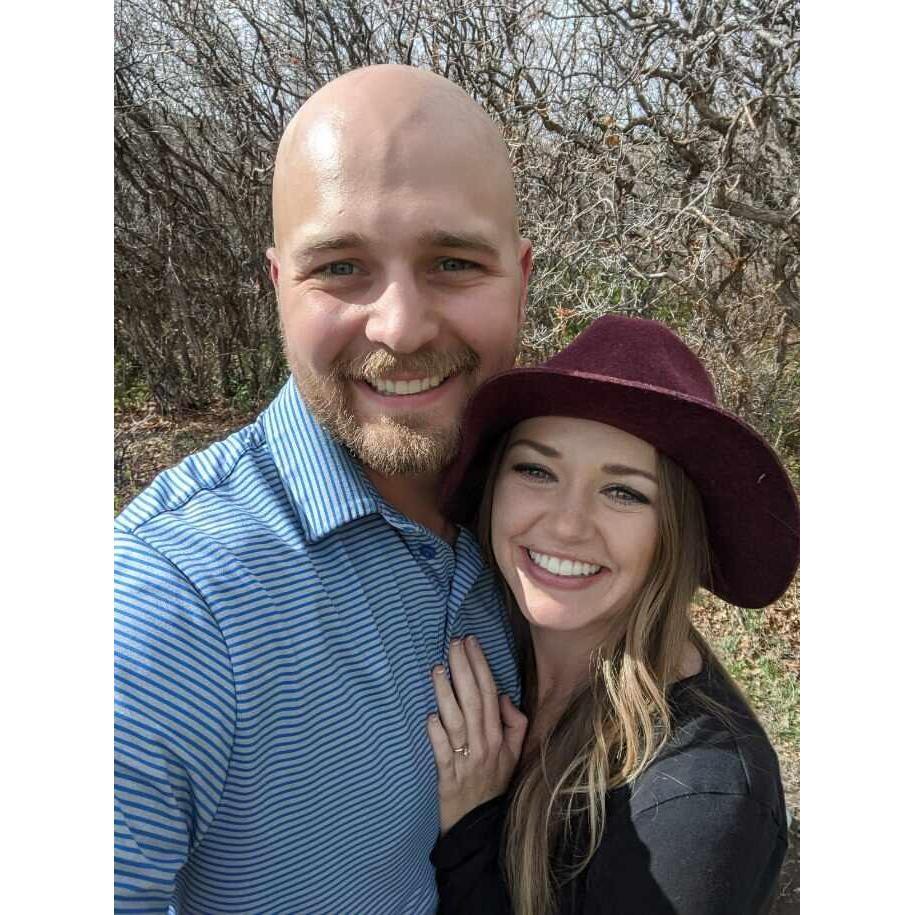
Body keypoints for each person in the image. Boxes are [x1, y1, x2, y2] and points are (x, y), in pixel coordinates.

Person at [114, 65, 532, 913]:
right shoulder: (167, 609)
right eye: (340, 267)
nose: (400, 327)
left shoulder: (536, 511)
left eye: (453, 262)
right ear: (279, 286)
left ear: (520, 276)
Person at [425, 314, 799, 914]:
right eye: (536, 470)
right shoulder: (487, 644)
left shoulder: (696, 804)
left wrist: (473, 827)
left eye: (624, 491)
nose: (566, 525)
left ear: (675, 533)